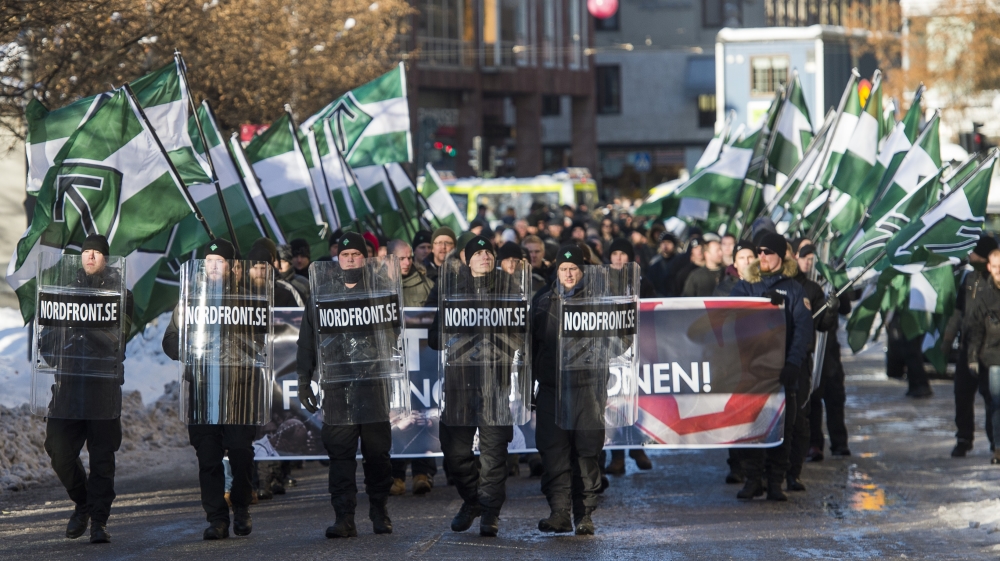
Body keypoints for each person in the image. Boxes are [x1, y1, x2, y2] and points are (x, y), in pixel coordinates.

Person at [295, 232, 396, 538]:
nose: (351, 259)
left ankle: (379, 511)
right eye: (345, 254)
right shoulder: (322, 295)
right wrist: (303, 379)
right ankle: (344, 517)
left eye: (356, 254)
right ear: (337, 258)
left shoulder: (381, 292)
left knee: (377, 454)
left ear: (365, 258)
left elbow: (394, 335)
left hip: (373, 384)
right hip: (337, 389)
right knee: (340, 455)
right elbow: (307, 342)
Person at [162, 238, 262, 539]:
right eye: (209, 261)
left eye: (220, 261)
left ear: (232, 267)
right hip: (204, 392)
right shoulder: (191, 301)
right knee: (208, 458)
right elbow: (169, 340)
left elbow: (266, 344)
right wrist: (188, 349)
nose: (214, 266)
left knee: (242, 453)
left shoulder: (249, 300)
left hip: (240, 391)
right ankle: (216, 519)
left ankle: (242, 506)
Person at [532, 245, 634, 535]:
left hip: (588, 389)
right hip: (552, 389)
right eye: (563, 269)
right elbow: (532, 347)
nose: (567, 273)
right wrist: (529, 388)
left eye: (573, 268)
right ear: (556, 270)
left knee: (586, 454)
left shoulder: (600, 301)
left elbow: (622, 342)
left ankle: (584, 515)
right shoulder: (542, 301)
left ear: (582, 270)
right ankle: (559, 512)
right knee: (554, 453)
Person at [426, 236, 524, 537]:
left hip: (495, 384)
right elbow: (434, 339)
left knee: (494, 454)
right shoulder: (451, 289)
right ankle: (472, 501)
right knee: (455, 454)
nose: (485, 256)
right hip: (460, 385)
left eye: (488, 252)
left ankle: (489, 514)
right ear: (467, 260)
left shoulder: (509, 289)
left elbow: (522, 335)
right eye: (478, 253)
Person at [40, 234, 133, 544]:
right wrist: (53, 346)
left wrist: (82, 326)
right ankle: (84, 504)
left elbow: (118, 340)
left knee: (102, 459)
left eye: (97, 252)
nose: (90, 256)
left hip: (102, 389)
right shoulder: (63, 295)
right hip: (68, 386)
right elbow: (49, 340)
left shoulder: (122, 296)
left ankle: (99, 522)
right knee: (58, 449)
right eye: (86, 252)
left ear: (106, 258)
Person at [730, 233, 812, 502]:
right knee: (752, 427)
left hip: (783, 371)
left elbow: (803, 329)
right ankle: (754, 479)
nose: (762, 256)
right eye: (759, 251)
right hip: (753, 371)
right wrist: (759, 306)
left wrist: (793, 363)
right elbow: (730, 319)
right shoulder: (746, 286)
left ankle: (776, 480)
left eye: (768, 252)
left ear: (780, 255)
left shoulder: (794, 289)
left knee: (783, 429)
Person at [786, 243, 840, 492]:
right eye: (802, 257)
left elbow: (822, 324)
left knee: (800, 416)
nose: (806, 262)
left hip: (800, 361)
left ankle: (793, 471)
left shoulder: (810, 289)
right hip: (769, 360)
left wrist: (831, 311)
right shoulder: (769, 286)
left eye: (811, 258)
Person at [386, 238, 437, 495]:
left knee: (422, 417)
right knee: (396, 421)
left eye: (409, 258)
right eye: (401, 258)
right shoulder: (379, 286)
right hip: (393, 364)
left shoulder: (426, 286)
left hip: (422, 362)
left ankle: (422, 472)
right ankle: (395, 475)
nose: (407, 263)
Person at [603, 238, 654, 475]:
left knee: (636, 400)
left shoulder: (641, 281)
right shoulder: (601, 281)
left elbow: (655, 307)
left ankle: (636, 447)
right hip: (610, 349)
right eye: (615, 254)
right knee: (615, 401)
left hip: (637, 347)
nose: (619, 258)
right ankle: (618, 456)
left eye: (623, 254)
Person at [951, 236, 1000, 457]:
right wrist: (946, 341)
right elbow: (958, 313)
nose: (970, 257)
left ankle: (995, 443)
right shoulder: (969, 279)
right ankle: (964, 438)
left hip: (990, 351)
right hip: (967, 346)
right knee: (962, 394)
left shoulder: (995, 281)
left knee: (992, 398)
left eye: (975, 254)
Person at [965, 248, 1000, 464]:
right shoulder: (984, 295)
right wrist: (971, 357)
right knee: (996, 403)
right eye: (996, 267)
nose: (999, 272)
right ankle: (998, 447)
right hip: (993, 357)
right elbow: (976, 329)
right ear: (989, 267)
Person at [646, 232, 680, 297]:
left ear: (674, 245)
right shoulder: (654, 263)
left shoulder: (679, 262)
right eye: (663, 242)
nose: (665, 245)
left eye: (669, 242)